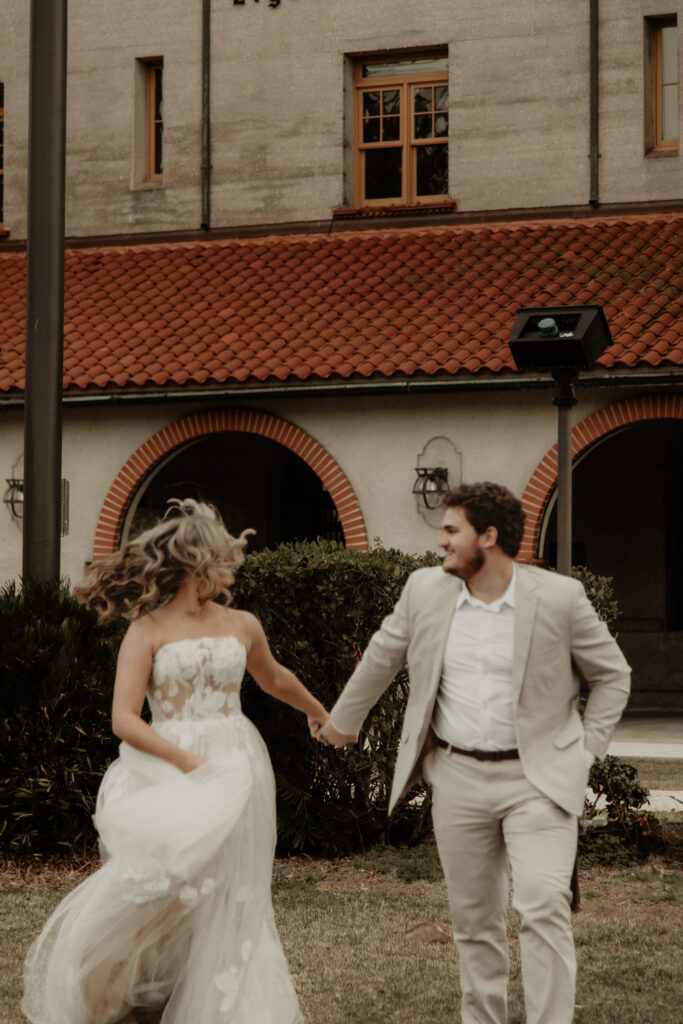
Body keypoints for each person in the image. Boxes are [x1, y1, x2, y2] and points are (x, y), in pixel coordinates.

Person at [316, 482, 631, 1024]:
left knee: (543, 907)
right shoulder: (424, 591)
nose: (440, 541)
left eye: (451, 530)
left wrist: (584, 751)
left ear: (489, 536)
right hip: (457, 777)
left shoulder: (558, 598)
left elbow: (613, 676)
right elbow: (381, 657)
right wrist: (342, 724)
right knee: (474, 921)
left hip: (539, 780)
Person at [22, 499, 328, 1024]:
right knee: (159, 891)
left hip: (236, 766)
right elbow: (124, 718)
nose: (233, 563)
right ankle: (128, 997)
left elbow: (273, 677)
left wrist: (319, 710)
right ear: (198, 562)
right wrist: (186, 761)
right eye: (224, 553)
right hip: (166, 770)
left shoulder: (243, 625)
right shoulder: (147, 630)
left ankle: (212, 1006)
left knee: (227, 896)